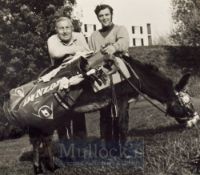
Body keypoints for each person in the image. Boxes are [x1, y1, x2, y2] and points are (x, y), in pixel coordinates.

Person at [88, 4, 130, 145]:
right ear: (98, 18)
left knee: (122, 112)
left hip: (120, 76)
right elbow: (92, 57)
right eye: (101, 15)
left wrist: (114, 47)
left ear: (111, 14)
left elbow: (124, 43)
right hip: (103, 77)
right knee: (105, 112)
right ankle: (107, 144)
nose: (104, 18)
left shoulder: (120, 29)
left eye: (107, 14)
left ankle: (123, 144)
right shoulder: (93, 36)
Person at [47, 16, 90, 139]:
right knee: (62, 114)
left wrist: (66, 52)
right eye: (61, 28)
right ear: (56, 30)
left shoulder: (79, 36)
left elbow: (88, 51)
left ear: (72, 28)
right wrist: (76, 51)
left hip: (77, 78)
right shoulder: (52, 39)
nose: (65, 31)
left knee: (78, 112)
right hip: (59, 79)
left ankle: (80, 148)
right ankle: (66, 150)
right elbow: (55, 53)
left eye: (67, 27)